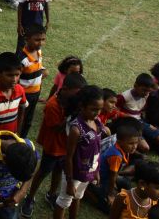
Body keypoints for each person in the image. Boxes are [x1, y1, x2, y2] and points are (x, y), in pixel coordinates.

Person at [20, 73, 87, 218]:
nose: (79, 97)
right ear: (66, 89)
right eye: (77, 93)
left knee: (58, 170)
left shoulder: (72, 103)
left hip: (65, 147)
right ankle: (29, 197)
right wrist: (72, 117)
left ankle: (51, 194)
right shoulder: (52, 105)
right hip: (53, 146)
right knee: (43, 171)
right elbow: (55, 128)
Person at [54, 85, 105, 219]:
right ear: (82, 106)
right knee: (64, 201)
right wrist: (70, 182)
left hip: (88, 171)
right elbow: (69, 157)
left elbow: (97, 149)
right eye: (93, 109)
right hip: (75, 173)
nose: (97, 113)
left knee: (78, 196)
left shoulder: (97, 122)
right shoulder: (76, 129)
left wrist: (96, 171)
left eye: (100, 109)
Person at [89, 124, 140, 213]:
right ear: (119, 142)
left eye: (136, 143)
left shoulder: (123, 149)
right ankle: (89, 191)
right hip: (100, 178)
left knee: (126, 184)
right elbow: (112, 176)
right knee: (109, 207)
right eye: (131, 143)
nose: (135, 146)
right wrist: (111, 194)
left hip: (109, 176)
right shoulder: (116, 156)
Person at [17, 24, 47, 138]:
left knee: (29, 120)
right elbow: (16, 78)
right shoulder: (22, 59)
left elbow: (38, 66)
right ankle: (17, 139)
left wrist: (42, 71)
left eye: (43, 39)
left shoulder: (38, 52)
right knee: (21, 119)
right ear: (27, 39)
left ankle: (23, 139)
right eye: (37, 40)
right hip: (25, 95)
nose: (40, 43)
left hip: (36, 92)